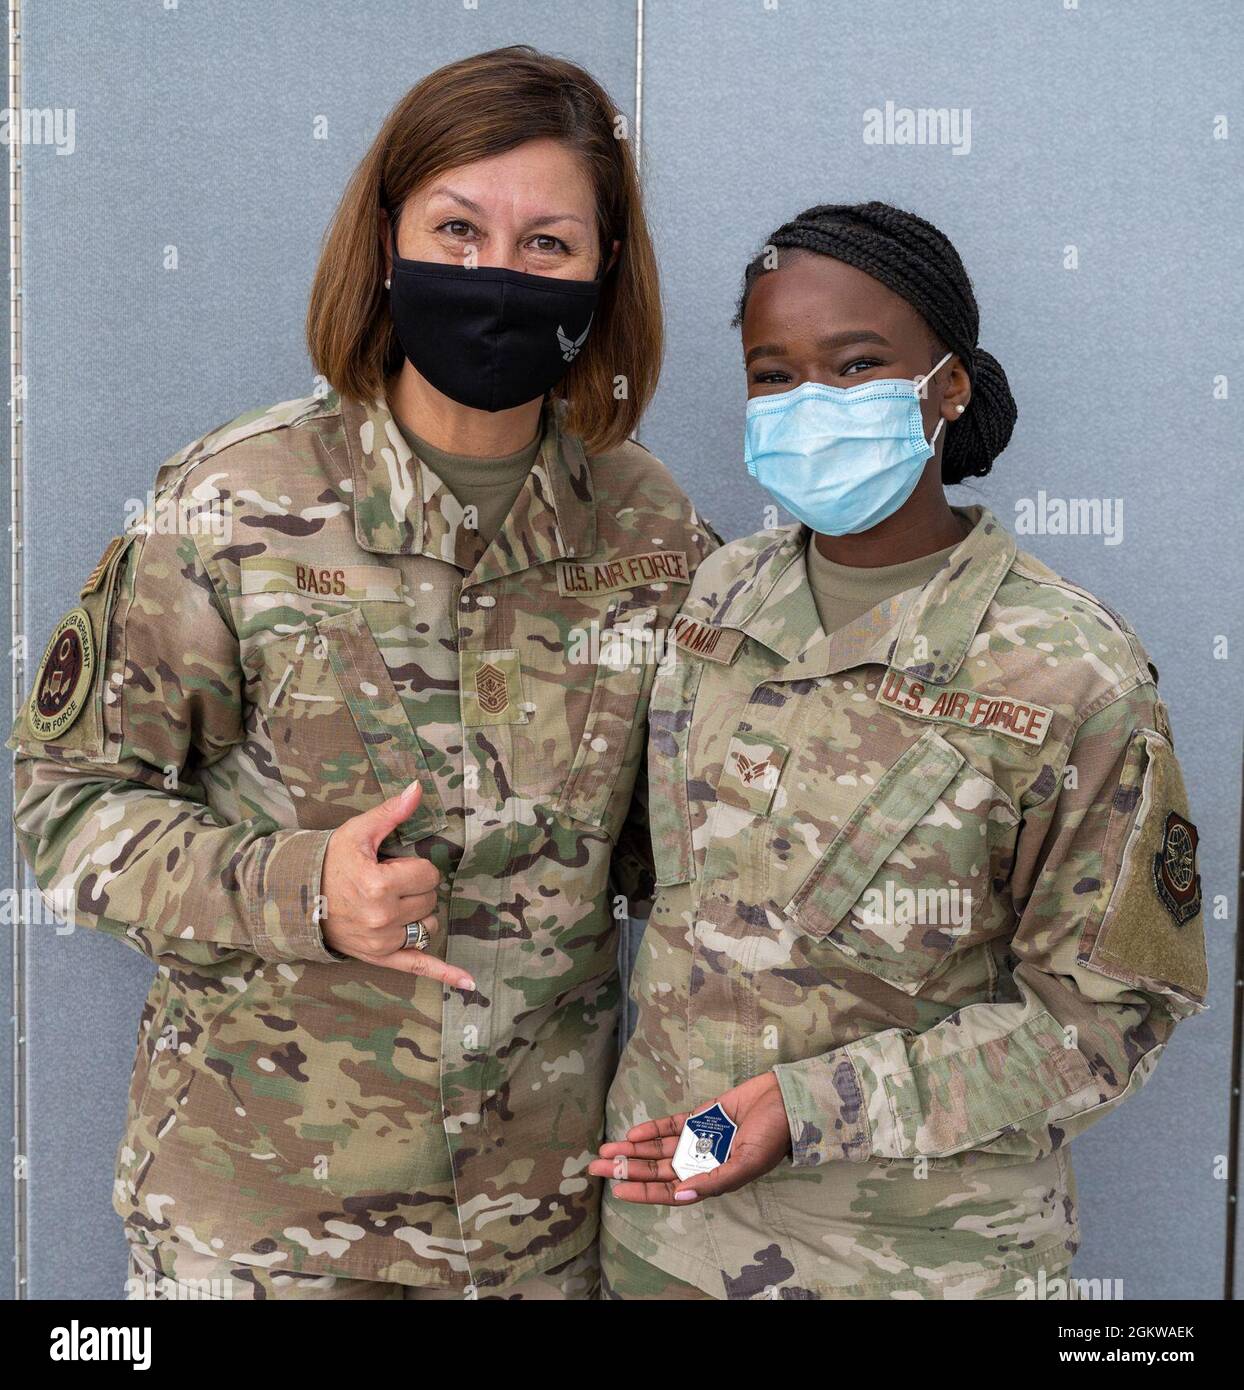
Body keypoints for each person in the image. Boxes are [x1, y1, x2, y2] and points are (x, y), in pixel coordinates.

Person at [9, 46, 717, 1300]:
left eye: (546, 243)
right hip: (262, 1222)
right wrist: (301, 891)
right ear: (386, 242)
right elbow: (65, 808)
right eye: (458, 227)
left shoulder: (650, 534)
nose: (496, 274)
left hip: (536, 1238)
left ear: (604, 274)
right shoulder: (233, 500)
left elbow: (687, 858)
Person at [592, 201, 1207, 1300]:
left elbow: (1104, 1020)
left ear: (947, 386)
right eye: (771, 374)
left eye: (856, 364)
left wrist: (808, 1105)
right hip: (663, 1248)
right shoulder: (713, 599)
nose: (806, 402)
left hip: (919, 1266)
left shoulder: (1067, 669)